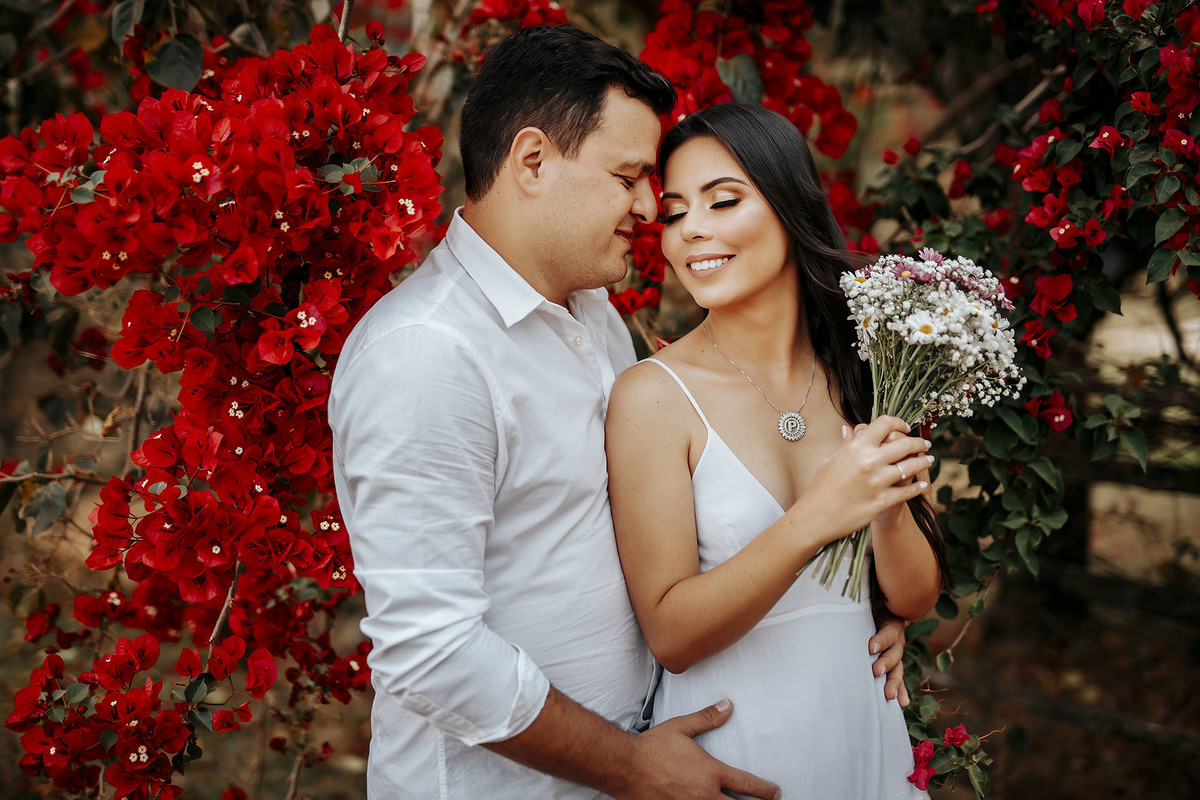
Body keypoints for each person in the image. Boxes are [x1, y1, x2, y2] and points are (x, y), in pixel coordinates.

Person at [329, 27, 908, 800]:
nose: (647, 206)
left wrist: (844, 618)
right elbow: (430, 652)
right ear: (532, 161)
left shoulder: (592, 314)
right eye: (628, 176)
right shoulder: (426, 355)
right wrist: (630, 766)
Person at [606, 102, 950, 800]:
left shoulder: (867, 370)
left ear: (790, 205)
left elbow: (915, 598)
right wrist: (818, 516)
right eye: (674, 213)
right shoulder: (653, 397)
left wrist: (884, 509)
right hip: (738, 754)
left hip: (864, 736)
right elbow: (670, 634)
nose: (690, 230)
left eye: (722, 201)